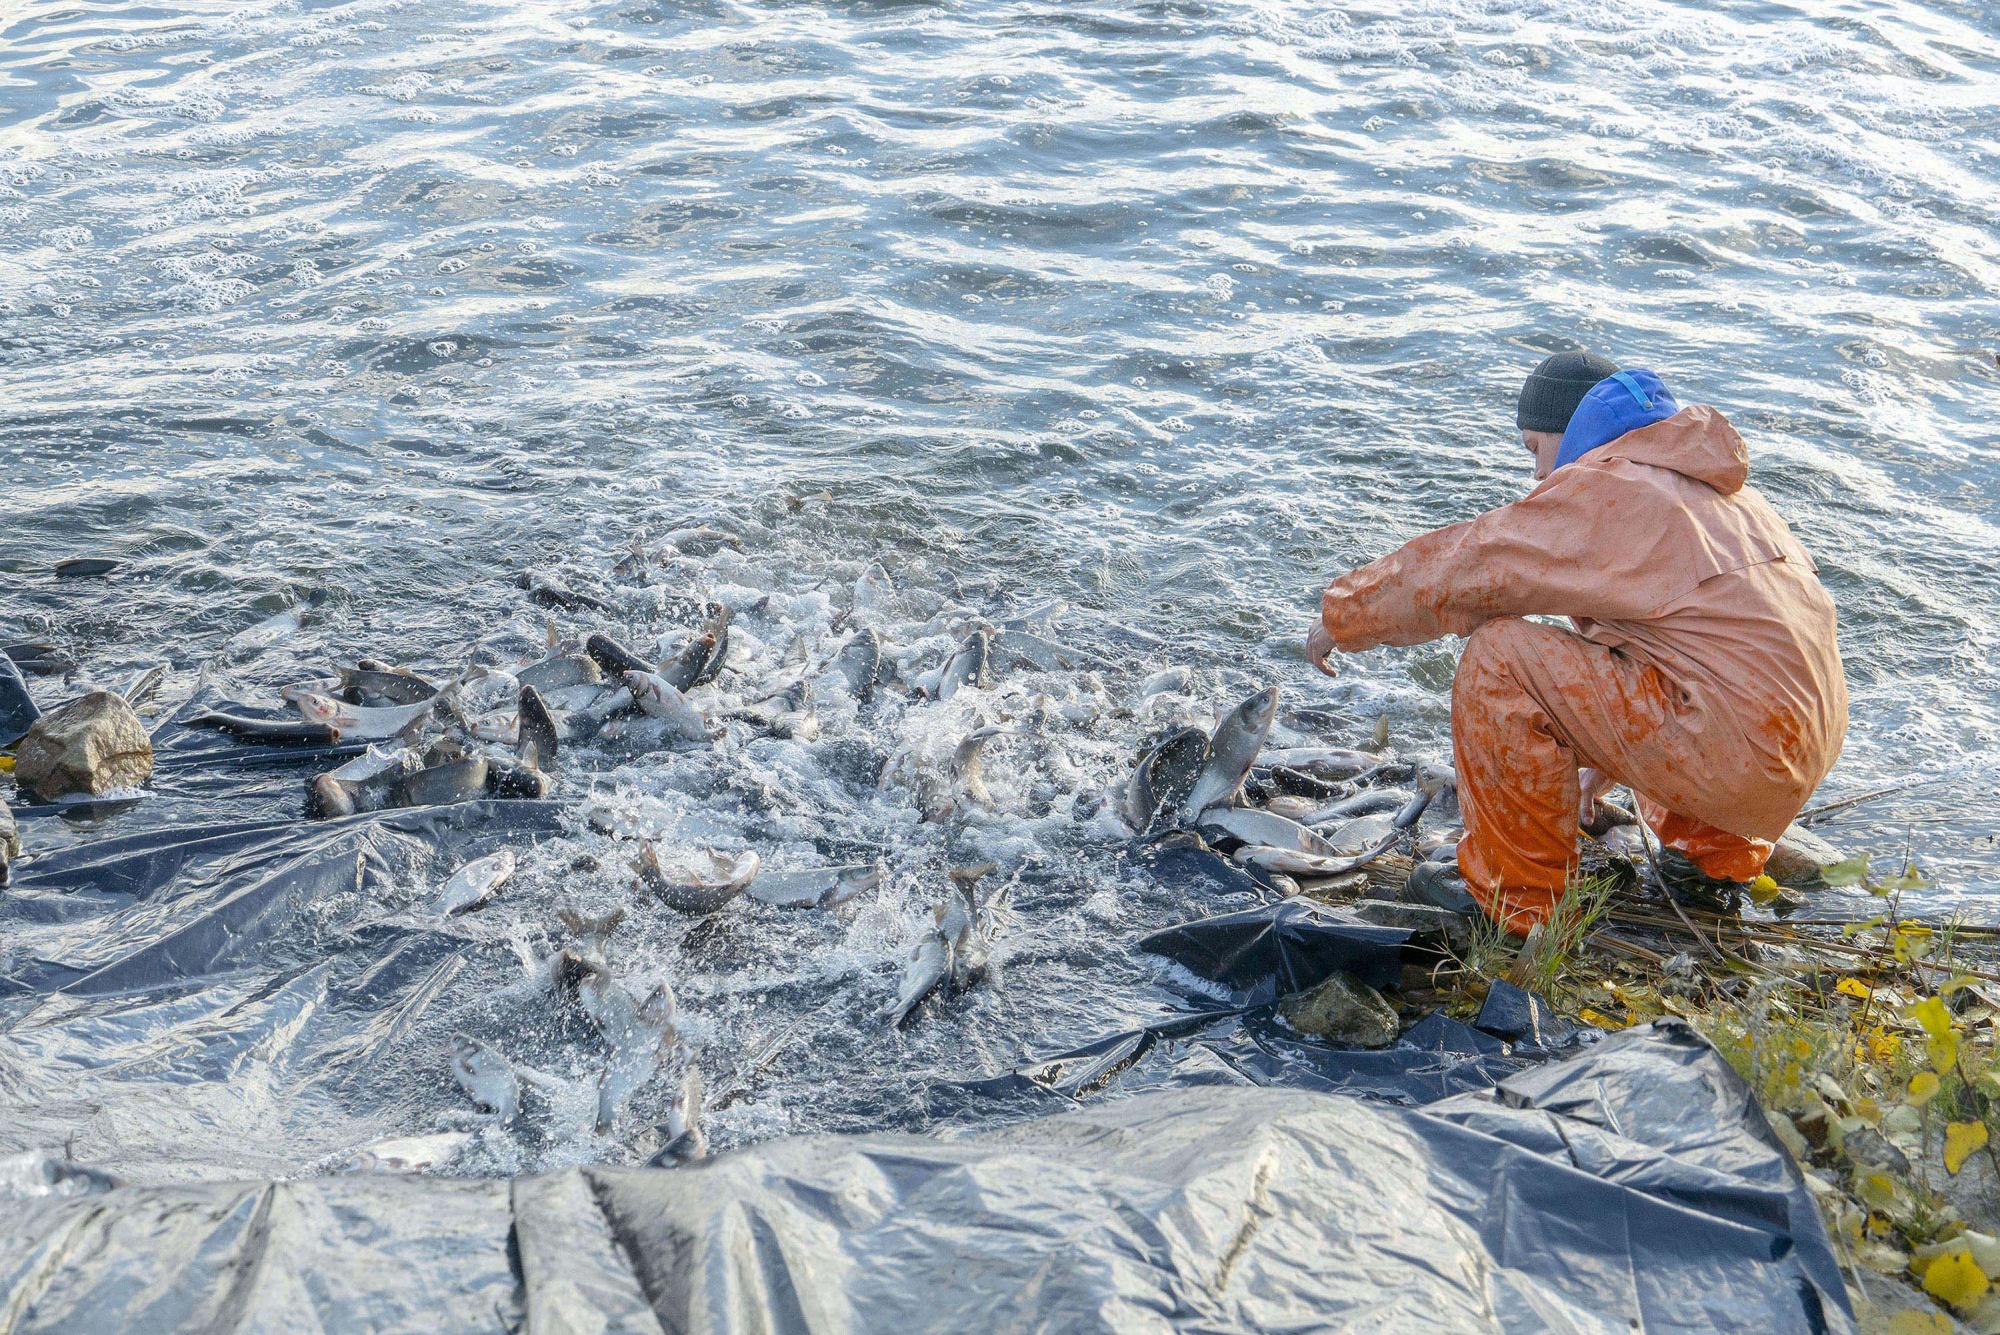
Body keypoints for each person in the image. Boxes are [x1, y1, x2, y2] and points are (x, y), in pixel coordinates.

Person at [1306, 351, 1847, 935]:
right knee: (1683, 671)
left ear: (1574, 433)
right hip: (1796, 754)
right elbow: (1693, 649)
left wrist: (1343, 615)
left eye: (1534, 447)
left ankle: (1518, 905)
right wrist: (1608, 761)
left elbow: (1465, 569)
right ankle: (1709, 867)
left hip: (1731, 751)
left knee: (1500, 659)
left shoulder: (1608, 487)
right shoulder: (1729, 500)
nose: (1538, 474)